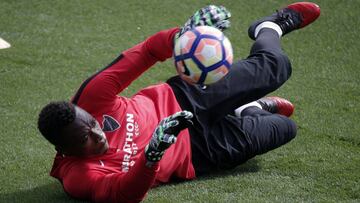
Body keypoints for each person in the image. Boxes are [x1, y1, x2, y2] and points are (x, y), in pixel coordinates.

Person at [37, 2, 320, 202]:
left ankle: (269, 27)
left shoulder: (90, 97)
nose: (98, 134)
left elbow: (147, 51)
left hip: (185, 98)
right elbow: (122, 194)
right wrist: (152, 155)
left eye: (93, 124)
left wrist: (185, 35)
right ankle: (250, 109)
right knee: (284, 128)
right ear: (65, 149)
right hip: (199, 154)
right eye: (86, 138)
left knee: (276, 66)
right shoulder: (77, 176)